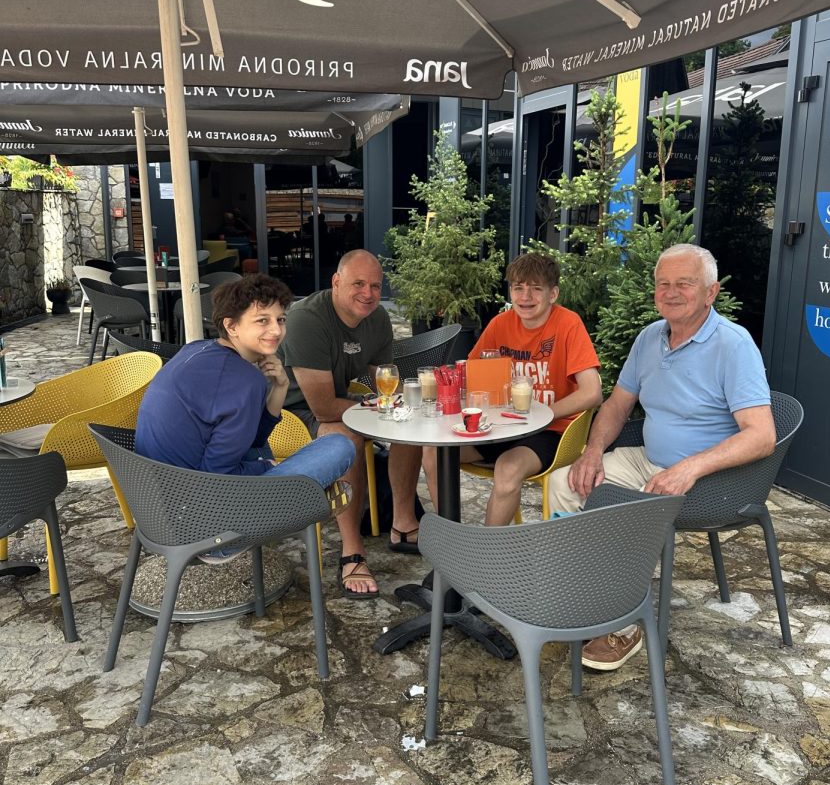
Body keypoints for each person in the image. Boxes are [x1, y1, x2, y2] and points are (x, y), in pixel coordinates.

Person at [547, 243, 776, 671]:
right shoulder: (650, 337)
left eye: (683, 284)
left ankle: (623, 624)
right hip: (647, 458)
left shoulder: (733, 344)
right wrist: (593, 452)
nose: (670, 293)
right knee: (566, 482)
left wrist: (689, 468)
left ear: (711, 292)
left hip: (706, 479)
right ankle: (581, 598)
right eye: (662, 284)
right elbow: (616, 405)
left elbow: (762, 436)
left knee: (624, 512)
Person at [135, 275, 355, 561]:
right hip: (206, 529)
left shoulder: (196, 349)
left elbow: (252, 439)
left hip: (162, 510)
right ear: (231, 325)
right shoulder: (243, 378)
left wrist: (280, 388)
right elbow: (219, 478)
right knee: (340, 445)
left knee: (261, 451)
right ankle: (304, 502)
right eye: (262, 320)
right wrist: (269, 466)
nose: (276, 330)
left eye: (281, 319)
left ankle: (302, 497)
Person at [281, 249, 422, 598]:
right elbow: (324, 407)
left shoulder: (376, 319)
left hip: (341, 404)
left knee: (409, 422)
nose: (369, 293)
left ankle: (403, 524)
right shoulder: (307, 319)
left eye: (376, 285)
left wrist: (408, 406)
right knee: (346, 437)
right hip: (286, 416)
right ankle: (351, 551)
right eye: (358, 283)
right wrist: (379, 410)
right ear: (336, 282)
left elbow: (383, 381)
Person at [424, 252, 602, 526]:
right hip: (503, 427)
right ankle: (453, 537)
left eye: (536, 288)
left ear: (553, 294)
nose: (525, 296)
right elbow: (471, 374)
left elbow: (592, 392)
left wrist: (543, 414)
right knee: (434, 452)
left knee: (508, 468)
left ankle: (486, 560)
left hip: (551, 432)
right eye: (518, 287)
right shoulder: (501, 323)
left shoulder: (568, 324)